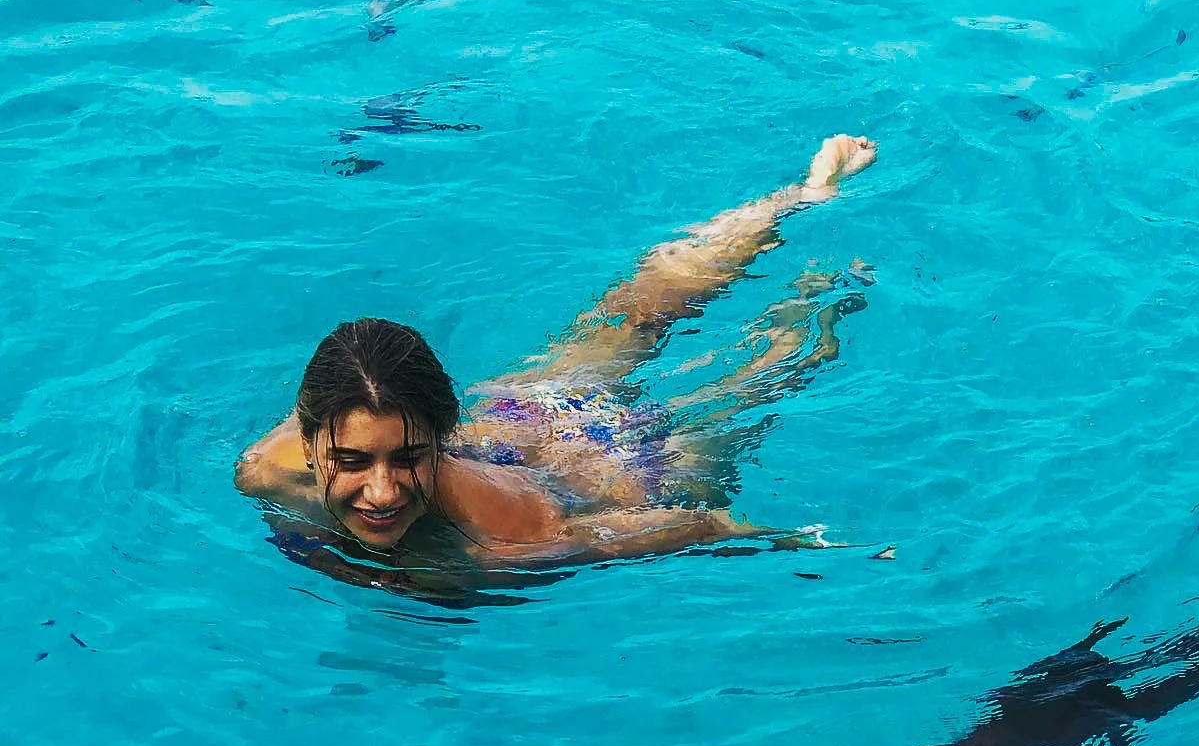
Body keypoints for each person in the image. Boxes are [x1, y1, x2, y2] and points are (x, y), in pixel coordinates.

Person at [235, 134, 877, 595]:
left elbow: (651, 529)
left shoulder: (508, 536)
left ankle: (811, 230)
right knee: (632, 325)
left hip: (610, 465)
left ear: (441, 437)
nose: (381, 492)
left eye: (407, 457)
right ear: (315, 442)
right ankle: (806, 208)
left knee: (758, 376)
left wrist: (781, 535)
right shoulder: (264, 469)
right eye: (352, 461)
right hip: (515, 416)